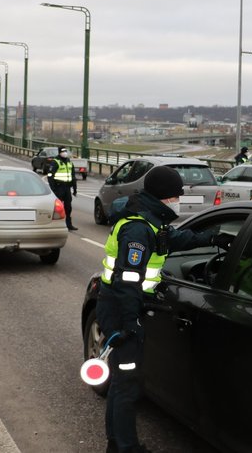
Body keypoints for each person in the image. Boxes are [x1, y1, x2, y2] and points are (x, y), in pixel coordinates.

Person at [96, 165, 232, 453]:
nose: (178, 200)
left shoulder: (150, 221)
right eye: (176, 195)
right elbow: (128, 279)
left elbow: (172, 240)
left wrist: (210, 239)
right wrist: (130, 322)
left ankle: (116, 444)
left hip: (121, 306)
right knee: (126, 383)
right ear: (165, 196)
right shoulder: (137, 229)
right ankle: (124, 447)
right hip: (120, 308)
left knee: (123, 381)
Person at [46, 147, 78, 230]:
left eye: (65, 151)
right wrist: (53, 189)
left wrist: (75, 189)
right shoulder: (55, 162)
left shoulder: (69, 162)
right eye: (63, 151)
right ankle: (54, 224)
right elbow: (50, 176)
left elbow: (73, 176)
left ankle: (68, 224)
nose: (64, 153)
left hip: (67, 188)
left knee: (68, 207)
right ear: (59, 152)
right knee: (57, 208)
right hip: (58, 187)